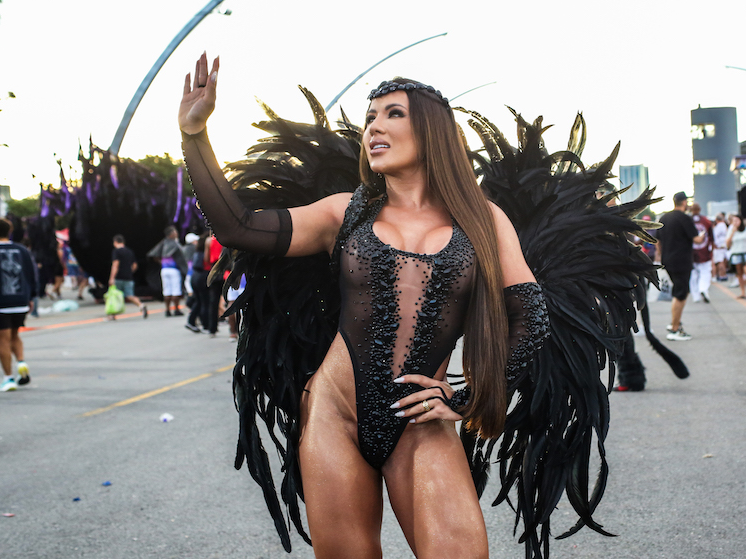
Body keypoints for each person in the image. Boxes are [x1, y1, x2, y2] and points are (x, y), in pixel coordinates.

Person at [177, 54, 651, 556]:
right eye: (369, 118)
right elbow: (239, 227)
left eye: (391, 114)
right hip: (335, 416)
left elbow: (529, 313)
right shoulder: (345, 211)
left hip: (420, 424)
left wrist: (469, 398)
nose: (374, 128)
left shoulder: (483, 220)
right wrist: (194, 135)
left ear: (432, 132)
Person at [656, 192, 705, 339]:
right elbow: (696, 240)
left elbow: (658, 241)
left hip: (668, 260)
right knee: (681, 294)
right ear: (684, 203)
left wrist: (661, 255)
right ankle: (674, 329)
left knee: (678, 292)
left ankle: (675, 323)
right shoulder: (685, 218)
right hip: (682, 261)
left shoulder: (664, 217)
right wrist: (702, 235)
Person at [0, 218, 39, 392]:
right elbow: (31, 274)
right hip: (20, 300)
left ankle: (8, 378)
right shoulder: (21, 249)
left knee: (2, 340)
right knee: (15, 335)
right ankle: (21, 362)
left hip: (1, 302)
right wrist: (32, 297)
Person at [148, 226, 187, 318]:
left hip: (164, 269)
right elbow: (183, 257)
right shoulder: (175, 243)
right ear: (172, 233)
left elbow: (154, 254)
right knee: (175, 290)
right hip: (174, 270)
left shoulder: (163, 243)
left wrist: (161, 262)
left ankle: (167, 310)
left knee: (166, 291)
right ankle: (176, 309)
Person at [108, 235, 147, 319]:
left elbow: (115, 265)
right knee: (130, 295)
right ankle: (141, 305)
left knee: (114, 296)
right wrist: (129, 271)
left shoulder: (116, 252)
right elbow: (135, 265)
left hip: (119, 277)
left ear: (115, 242)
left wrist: (112, 278)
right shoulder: (130, 251)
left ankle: (112, 315)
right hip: (128, 277)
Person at [726, 215, 746, 300]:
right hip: (736, 253)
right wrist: (732, 232)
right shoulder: (731, 230)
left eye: (737, 220)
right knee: (739, 274)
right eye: (734, 221)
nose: (735, 223)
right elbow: (727, 244)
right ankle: (742, 292)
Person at [689, 203, 713, 303]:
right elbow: (711, 237)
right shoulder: (706, 221)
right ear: (700, 209)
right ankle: (703, 289)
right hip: (704, 252)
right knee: (705, 273)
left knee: (693, 275)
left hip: (691, 253)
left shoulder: (687, 220)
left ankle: (696, 296)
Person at [712, 213, 729, 282]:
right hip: (724, 246)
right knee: (722, 261)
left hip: (719, 247)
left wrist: (714, 245)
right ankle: (722, 274)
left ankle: (721, 275)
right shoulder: (724, 226)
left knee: (719, 262)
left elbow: (714, 236)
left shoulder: (719, 226)